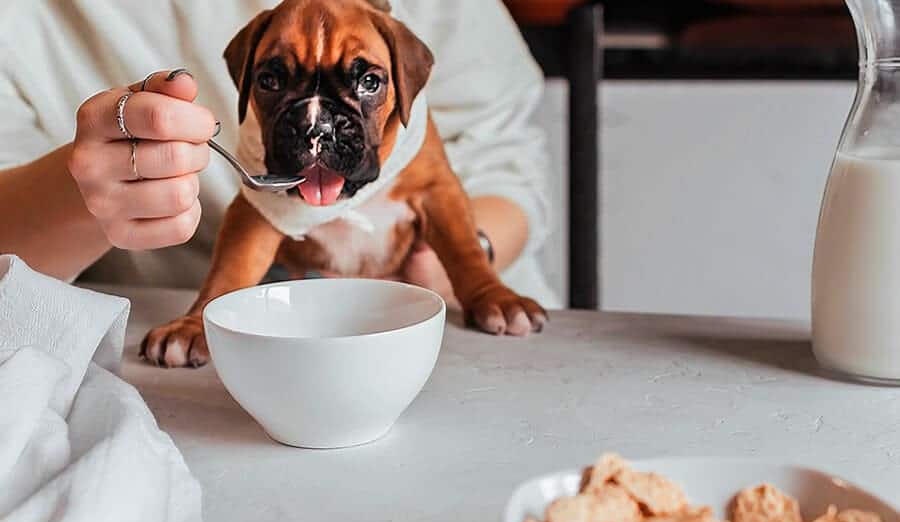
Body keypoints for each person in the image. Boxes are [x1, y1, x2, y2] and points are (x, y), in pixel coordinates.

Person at [0, 0, 560, 309]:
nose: (316, 124)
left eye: (364, 83)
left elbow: (508, 155)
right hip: (184, 346)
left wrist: (464, 265)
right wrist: (86, 193)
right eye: (271, 81)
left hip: (445, 322)